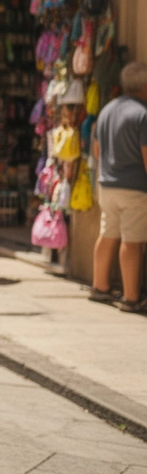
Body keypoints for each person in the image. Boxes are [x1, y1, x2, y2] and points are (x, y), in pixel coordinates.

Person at [90, 62, 147, 313]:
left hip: (107, 184)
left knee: (108, 233)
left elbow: (95, 150)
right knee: (132, 240)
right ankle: (131, 298)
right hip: (134, 186)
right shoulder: (143, 114)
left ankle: (99, 287)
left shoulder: (107, 110)